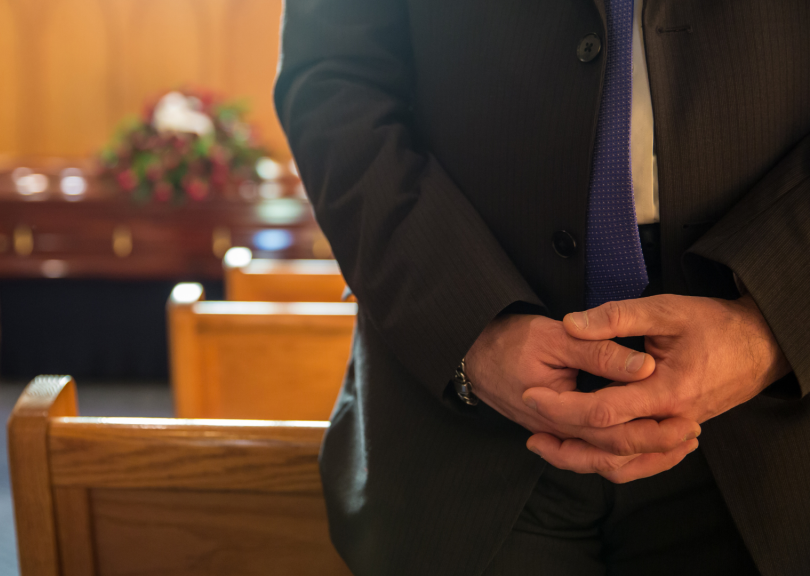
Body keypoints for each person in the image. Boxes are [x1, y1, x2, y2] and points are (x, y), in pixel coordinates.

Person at [274, 0, 810, 574]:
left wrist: (769, 327)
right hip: (457, 421)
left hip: (775, 425)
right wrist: (468, 326)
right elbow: (332, 81)